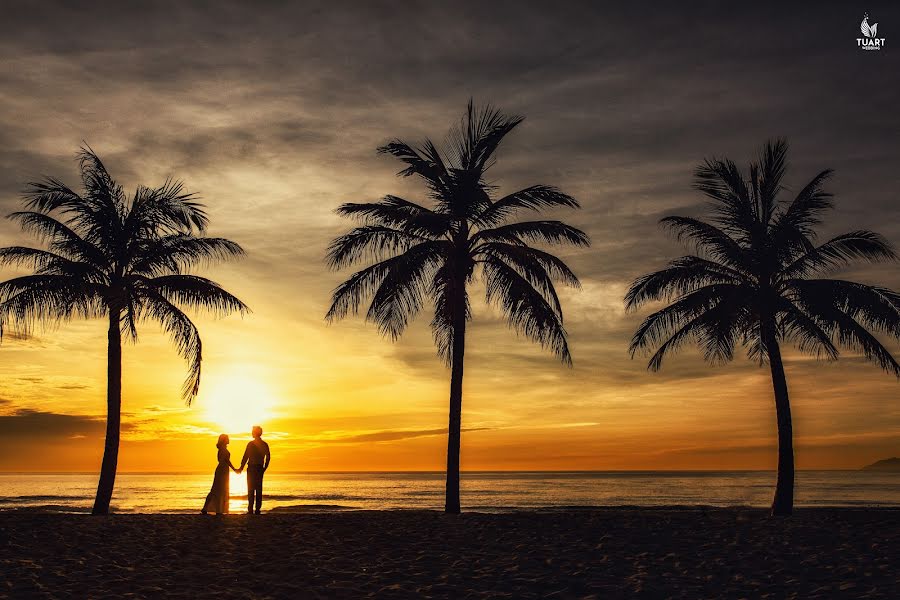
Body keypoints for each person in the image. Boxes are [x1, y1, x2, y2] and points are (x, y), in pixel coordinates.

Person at [201, 434, 240, 515]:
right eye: (227, 438)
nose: (229, 440)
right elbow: (226, 461)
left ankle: (213, 509)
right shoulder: (222, 449)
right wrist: (234, 469)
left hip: (223, 469)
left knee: (218, 489)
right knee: (217, 489)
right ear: (224, 440)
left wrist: (233, 469)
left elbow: (224, 460)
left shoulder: (222, 449)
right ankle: (216, 510)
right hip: (222, 470)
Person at [240, 425, 271, 514]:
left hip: (252, 468)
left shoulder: (251, 444)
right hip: (258, 468)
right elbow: (268, 457)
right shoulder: (264, 444)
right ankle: (257, 509)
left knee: (251, 489)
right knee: (258, 489)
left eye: (253, 431)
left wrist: (241, 467)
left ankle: (251, 509)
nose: (252, 433)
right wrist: (265, 467)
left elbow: (245, 456)